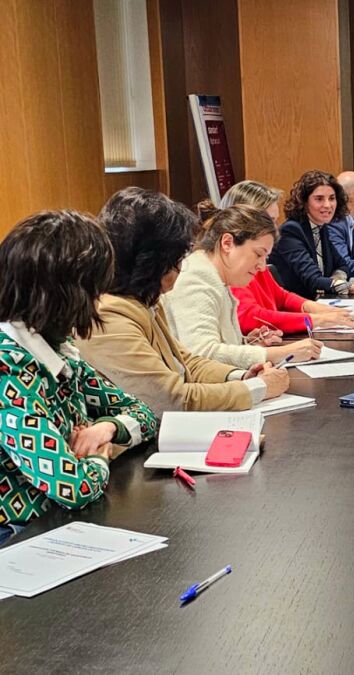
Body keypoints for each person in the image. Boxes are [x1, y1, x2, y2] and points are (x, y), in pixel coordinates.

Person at [0, 211, 158, 544]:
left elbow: (144, 414)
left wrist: (106, 429)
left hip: (57, 524)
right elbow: (74, 487)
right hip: (18, 536)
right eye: (94, 290)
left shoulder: (56, 347)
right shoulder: (8, 369)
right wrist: (101, 455)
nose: (98, 302)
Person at [76, 188, 289, 415]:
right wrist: (257, 388)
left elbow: (185, 362)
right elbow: (170, 399)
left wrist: (242, 376)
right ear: (152, 261)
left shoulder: (142, 302)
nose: (181, 266)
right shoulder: (110, 318)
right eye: (178, 258)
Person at [166, 205, 324, 369]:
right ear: (227, 243)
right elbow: (202, 354)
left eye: (265, 257)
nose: (262, 267)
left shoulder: (216, 275)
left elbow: (215, 343)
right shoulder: (196, 278)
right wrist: (281, 353)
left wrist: (248, 343)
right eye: (258, 254)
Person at [213, 180, 354, 335]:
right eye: (269, 222)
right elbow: (251, 317)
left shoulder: (254, 258)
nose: (276, 230)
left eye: (275, 221)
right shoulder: (234, 265)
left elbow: (281, 297)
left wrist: (319, 309)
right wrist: (315, 320)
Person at [268, 170, 354, 299]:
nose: (328, 205)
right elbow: (314, 280)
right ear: (304, 202)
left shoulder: (321, 227)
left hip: (318, 301)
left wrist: (336, 281)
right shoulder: (291, 230)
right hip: (295, 305)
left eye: (332, 198)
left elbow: (342, 265)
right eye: (319, 199)